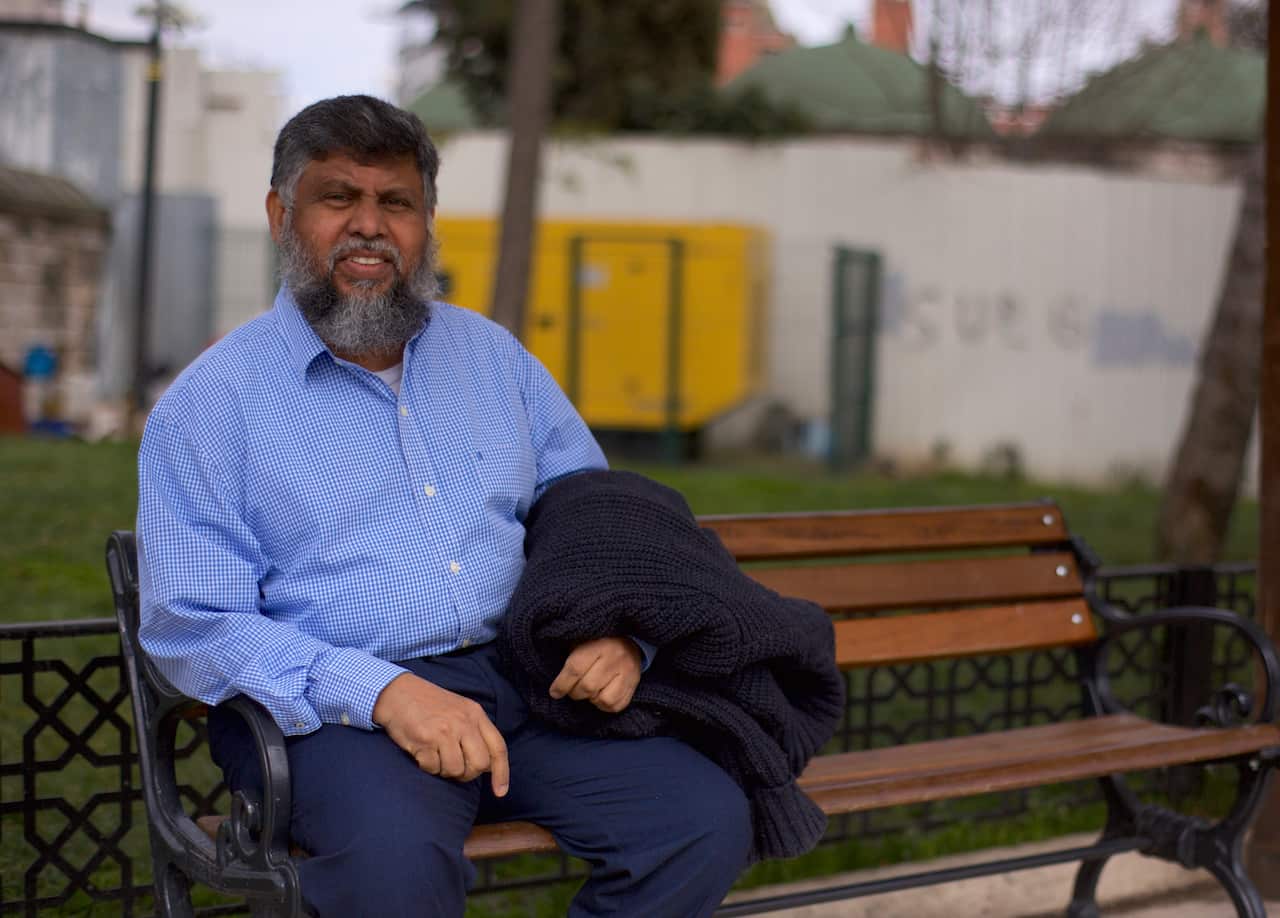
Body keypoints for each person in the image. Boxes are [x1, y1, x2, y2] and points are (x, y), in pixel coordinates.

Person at [136, 94, 750, 917]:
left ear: (428, 222)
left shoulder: (494, 358)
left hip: (528, 687)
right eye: (337, 198)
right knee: (396, 875)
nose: (369, 226)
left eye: (396, 202)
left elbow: (597, 520)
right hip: (334, 721)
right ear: (283, 214)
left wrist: (617, 629)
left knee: (700, 820)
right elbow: (195, 624)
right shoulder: (214, 404)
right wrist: (385, 691)